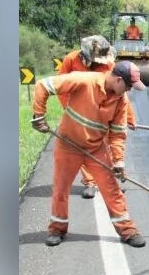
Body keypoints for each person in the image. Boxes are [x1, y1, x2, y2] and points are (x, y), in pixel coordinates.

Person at [31, 62, 148, 248]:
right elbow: (43, 85)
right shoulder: (83, 80)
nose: (128, 90)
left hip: (96, 149)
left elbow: (117, 134)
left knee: (112, 190)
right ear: (118, 80)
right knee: (61, 190)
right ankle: (56, 229)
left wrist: (118, 162)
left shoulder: (121, 100)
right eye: (128, 86)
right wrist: (39, 115)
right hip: (68, 146)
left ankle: (128, 230)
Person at [56, 36, 137, 199]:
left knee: (108, 144)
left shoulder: (108, 62)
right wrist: (71, 110)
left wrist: (128, 116)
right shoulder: (71, 60)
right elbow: (61, 86)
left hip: (104, 109)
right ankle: (90, 182)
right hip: (81, 110)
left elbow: (119, 92)